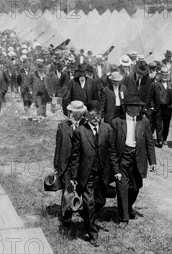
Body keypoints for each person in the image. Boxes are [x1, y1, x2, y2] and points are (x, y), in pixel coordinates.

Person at [67, 100, 119, 247]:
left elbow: (112, 152)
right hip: (86, 174)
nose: (96, 118)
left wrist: (116, 172)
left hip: (102, 173)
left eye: (98, 115)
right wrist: (74, 177)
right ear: (86, 116)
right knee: (89, 203)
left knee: (100, 201)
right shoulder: (80, 131)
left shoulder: (107, 129)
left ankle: (87, 216)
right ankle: (92, 233)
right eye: (92, 115)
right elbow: (75, 156)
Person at [111, 96, 157, 225]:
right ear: (129, 107)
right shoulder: (116, 122)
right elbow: (112, 146)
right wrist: (113, 165)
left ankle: (128, 207)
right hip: (122, 158)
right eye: (137, 106)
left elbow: (149, 142)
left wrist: (152, 161)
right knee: (122, 188)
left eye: (140, 106)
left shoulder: (144, 121)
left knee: (135, 188)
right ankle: (124, 217)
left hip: (138, 158)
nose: (140, 109)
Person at [54, 100, 86, 226]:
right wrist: (57, 164)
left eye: (78, 113)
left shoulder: (85, 126)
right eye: (73, 112)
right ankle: (66, 216)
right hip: (66, 164)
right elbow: (58, 146)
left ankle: (81, 210)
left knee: (81, 189)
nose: (75, 115)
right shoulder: (62, 126)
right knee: (67, 190)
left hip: (80, 164)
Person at [148, 67, 172, 147]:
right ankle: (159, 140)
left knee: (166, 124)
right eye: (163, 74)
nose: (164, 76)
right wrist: (152, 106)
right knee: (158, 124)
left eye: (166, 74)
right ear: (160, 74)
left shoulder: (170, 84)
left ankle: (164, 139)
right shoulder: (155, 84)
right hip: (158, 107)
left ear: (168, 74)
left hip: (168, 108)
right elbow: (151, 97)